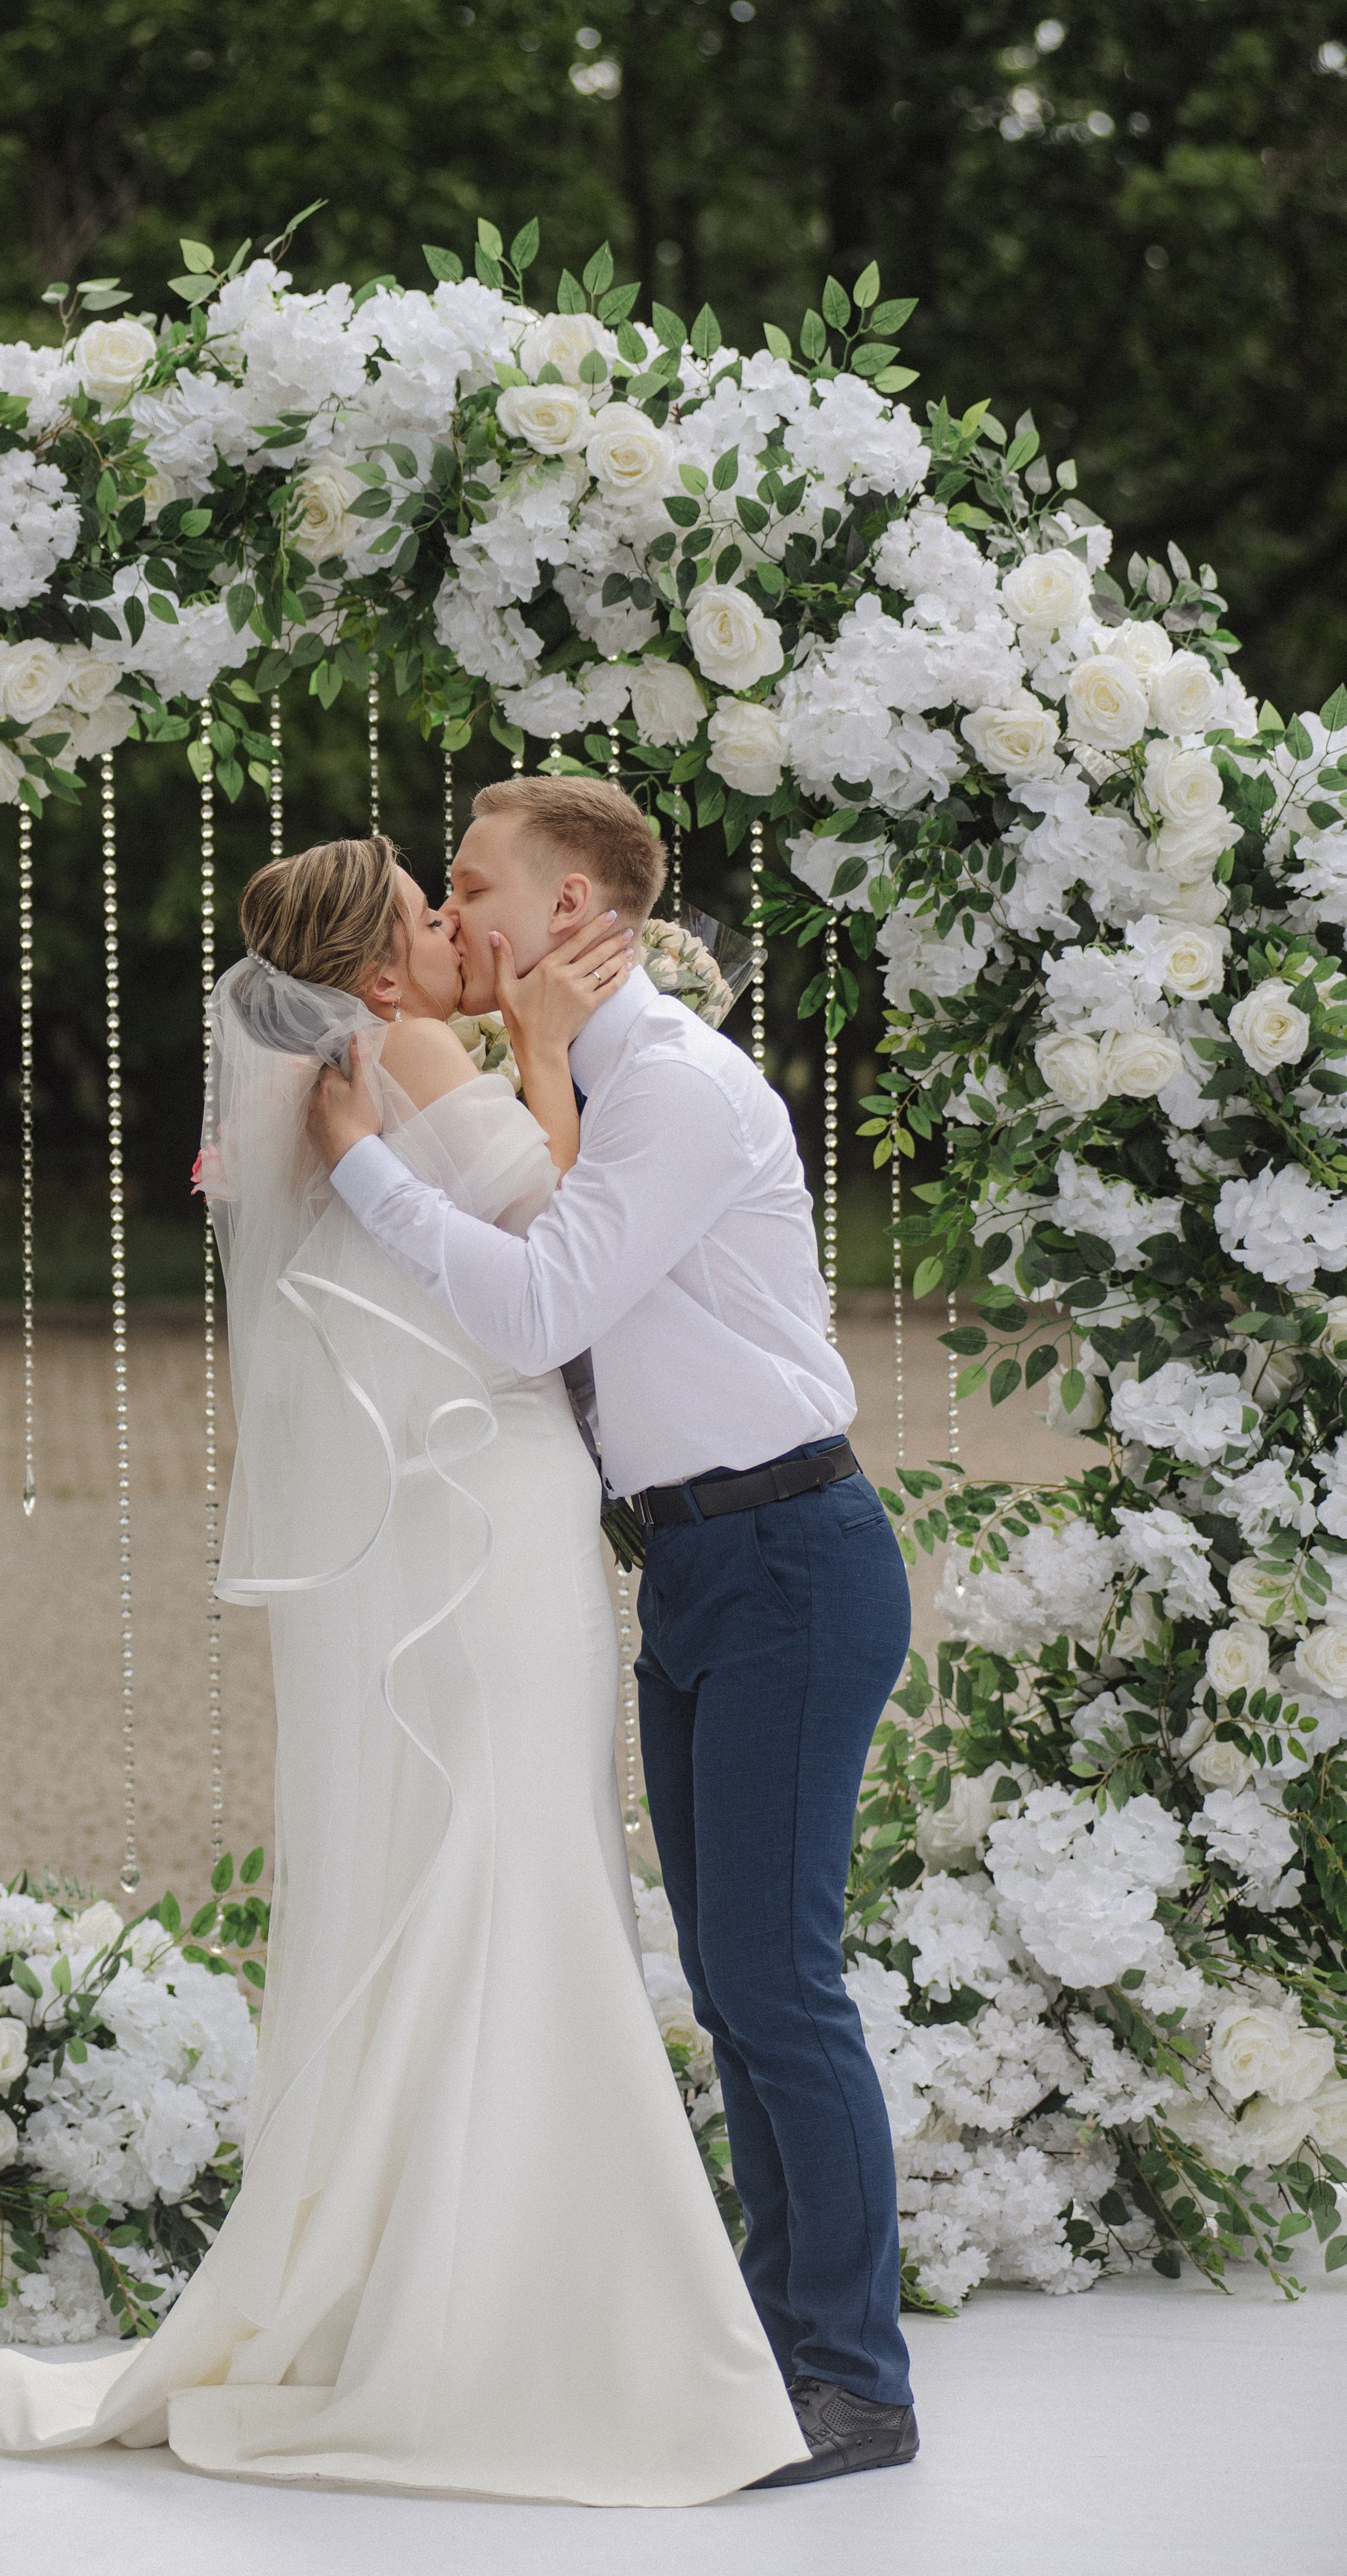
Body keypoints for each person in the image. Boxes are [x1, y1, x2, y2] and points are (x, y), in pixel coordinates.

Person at [0, 833, 807, 2503]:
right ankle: (524, 2302)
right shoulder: (410, 1051)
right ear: (382, 971)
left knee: (491, 1858)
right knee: (520, 1861)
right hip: (491, 1517)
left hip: (461, 1512)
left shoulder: (373, 1057)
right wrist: (546, 1050)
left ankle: (448, 2259)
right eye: (427, 908)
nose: (455, 920)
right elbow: (555, 1245)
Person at [307, 775, 920, 2490]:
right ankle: (774, 2339)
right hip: (695, 1564)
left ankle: (853, 2381)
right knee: (728, 1986)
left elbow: (537, 1308)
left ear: (569, 908)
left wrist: (358, 1167)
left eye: (470, 881)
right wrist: (522, 1070)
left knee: (778, 1984)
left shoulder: (679, 1090)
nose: (448, 909)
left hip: (789, 1555)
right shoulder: (587, 1082)